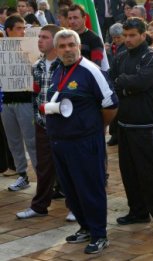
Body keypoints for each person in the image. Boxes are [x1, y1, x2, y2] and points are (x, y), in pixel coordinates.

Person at [47, 29, 118, 254]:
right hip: (60, 142)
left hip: (85, 142)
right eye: (63, 46)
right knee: (71, 189)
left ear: (79, 46)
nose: (67, 50)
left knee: (90, 188)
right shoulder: (57, 70)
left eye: (71, 45)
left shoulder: (90, 70)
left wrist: (96, 129)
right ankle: (85, 227)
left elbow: (111, 105)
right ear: (56, 49)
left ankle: (99, 234)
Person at [109, 17, 153, 234]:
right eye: (125, 35)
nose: (128, 39)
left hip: (145, 123)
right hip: (124, 122)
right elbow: (113, 82)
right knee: (129, 171)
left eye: (133, 35)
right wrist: (127, 84)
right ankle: (138, 211)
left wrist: (125, 84)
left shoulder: (151, 56)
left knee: (150, 172)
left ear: (143, 35)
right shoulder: (120, 56)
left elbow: (142, 82)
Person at [15, 25, 63, 219]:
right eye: (39, 37)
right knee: (44, 167)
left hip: (64, 125)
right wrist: (37, 118)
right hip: (43, 124)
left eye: (44, 37)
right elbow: (35, 95)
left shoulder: (65, 64)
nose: (39, 40)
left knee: (69, 166)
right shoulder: (37, 65)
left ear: (55, 41)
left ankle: (75, 207)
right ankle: (39, 205)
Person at [1, 15, 37, 191]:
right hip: (6, 102)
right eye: (19, 28)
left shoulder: (30, 47)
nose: (23, 32)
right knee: (13, 141)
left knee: (32, 140)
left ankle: (43, 177)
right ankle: (22, 175)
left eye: (24, 28)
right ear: (8, 30)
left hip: (25, 100)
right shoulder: (1, 49)